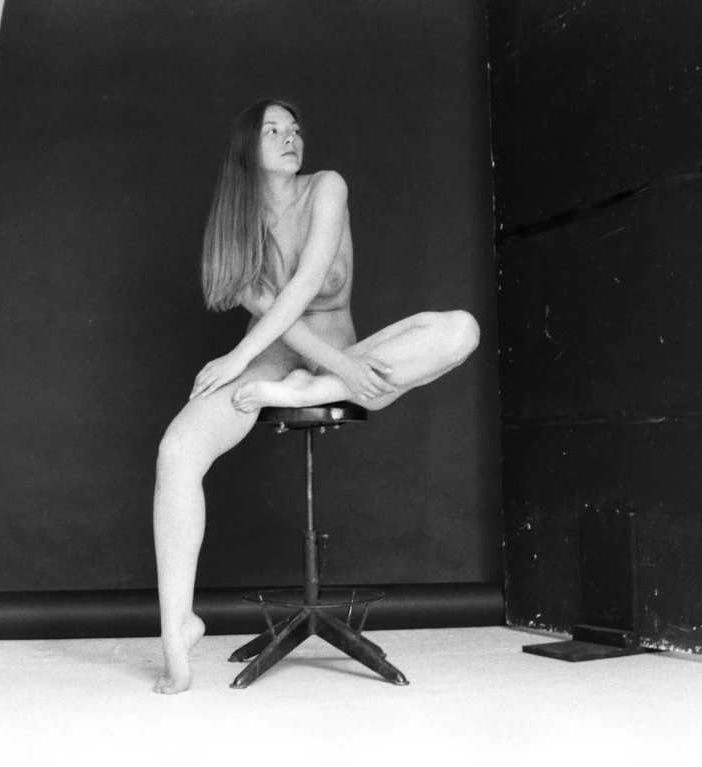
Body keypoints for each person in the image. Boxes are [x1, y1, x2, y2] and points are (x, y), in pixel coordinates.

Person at [152, 99, 480, 694]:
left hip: (339, 356)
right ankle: (176, 628)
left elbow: (306, 283)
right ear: (246, 149)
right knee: (176, 451)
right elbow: (278, 314)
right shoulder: (236, 226)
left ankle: (308, 389)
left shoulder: (327, 186)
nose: (291, 138)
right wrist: (245, 361)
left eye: (295, 129)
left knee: (461, 330)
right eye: (273, 130)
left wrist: (339, 370)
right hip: (273, 361)